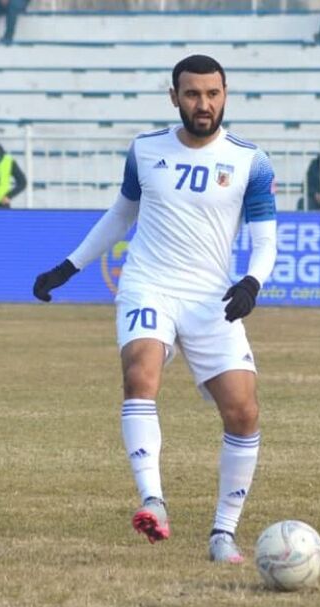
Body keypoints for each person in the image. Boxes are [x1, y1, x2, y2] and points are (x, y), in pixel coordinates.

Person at [32, 54, 278, 564]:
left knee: (244, 412)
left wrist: (252, 282)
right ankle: (153, 501)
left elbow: (265, 238)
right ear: (174, 97)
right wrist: (68, 267)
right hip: (149, 285)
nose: (203, 104)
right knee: (139, 373)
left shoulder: (251, 161)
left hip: (211, 297)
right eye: (192, 94)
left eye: (212, 94)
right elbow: (121, 215)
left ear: (225, 95)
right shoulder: (145, 150)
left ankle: (223, 534)